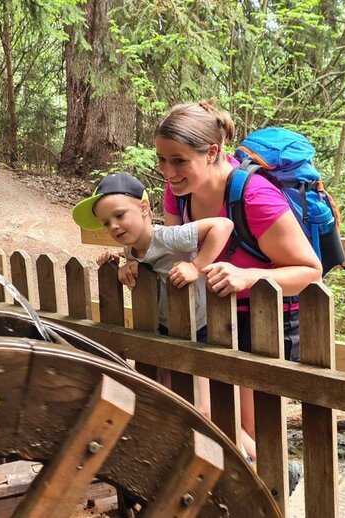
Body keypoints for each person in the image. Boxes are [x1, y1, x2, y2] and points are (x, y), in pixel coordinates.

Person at [120, 100, 321, 481]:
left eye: (178, 160)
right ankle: (255, 487)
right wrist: (136, 262)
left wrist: (250, 278)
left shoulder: (255, 197)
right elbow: (172, 250)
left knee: (252, 429)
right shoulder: (177, 193)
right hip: (207, 319)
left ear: (212, 152)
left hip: (261, 322)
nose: (168, 172)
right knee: (216, 419)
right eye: (162, 160)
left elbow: (310, 271)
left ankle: (276, 486)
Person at [72, 172, 233, 417]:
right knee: (169, 395)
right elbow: (143, 266)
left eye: (119, 215)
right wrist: (119, 264)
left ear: (144, 208)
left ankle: (246, 455)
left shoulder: (168, 236)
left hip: (199, 328)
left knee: (203, 408)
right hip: (165, 328)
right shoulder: (131, 247)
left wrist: (196, 266)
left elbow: (223, 225)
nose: (113, 226)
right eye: (106, 222)